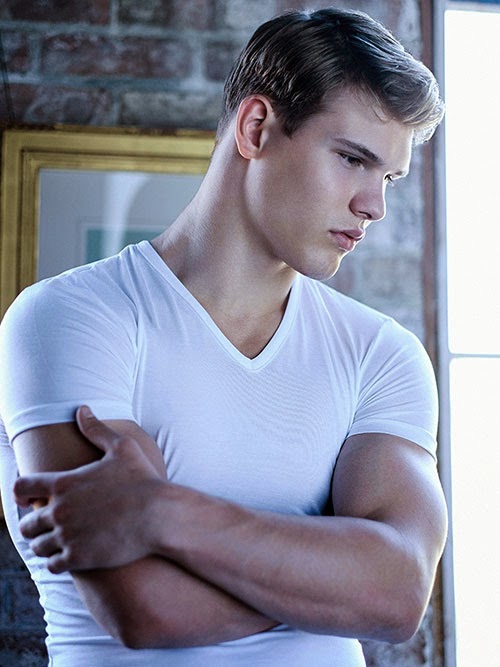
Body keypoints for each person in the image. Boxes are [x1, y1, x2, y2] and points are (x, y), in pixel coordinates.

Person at [0, 7, 448, 667]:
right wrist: (335, 575)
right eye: (353, 159)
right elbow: (144, 605)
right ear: (256, 127)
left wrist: (163, 512)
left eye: (388, 177)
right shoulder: (70, 317)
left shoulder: (382, 355)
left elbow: (399, 595)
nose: (374, 205)